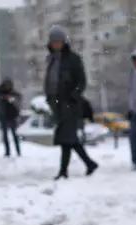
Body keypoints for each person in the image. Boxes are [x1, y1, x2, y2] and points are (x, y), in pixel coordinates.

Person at [44, 26, 98, 180]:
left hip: (70, 103)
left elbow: (81, 80)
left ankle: (63, 171)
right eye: (53, 42)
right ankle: (89, 164)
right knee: (68, 138)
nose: (56, 45)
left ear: (64, 42)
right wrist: (49, 99)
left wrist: (74, 94)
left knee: (65, 138)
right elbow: (50, 82)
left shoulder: (73, 59)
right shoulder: (51, 60)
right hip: (56, 103)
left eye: (58, 42)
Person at [0, 77, 22, 157]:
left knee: (14, 134)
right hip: (3, 115)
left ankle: (18, 151)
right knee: (5, 134)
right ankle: (7, 151)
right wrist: (4, 97)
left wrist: (13, 98)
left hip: (11, 115)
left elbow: (19, 96)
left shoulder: (12, 92)